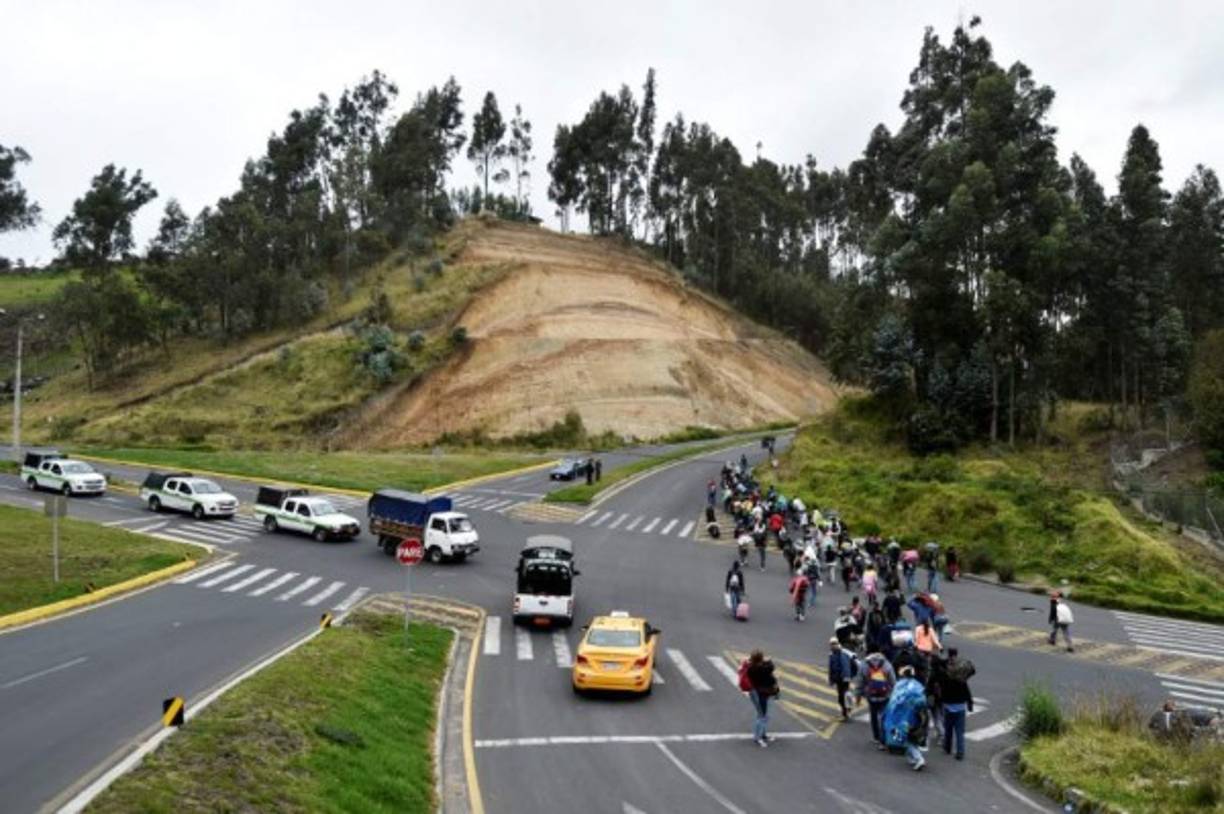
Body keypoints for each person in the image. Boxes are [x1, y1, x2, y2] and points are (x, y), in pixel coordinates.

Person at [884, 665, 929, 771]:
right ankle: (912, 758)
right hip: (917, 717)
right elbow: (923, 701)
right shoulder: (918, 685)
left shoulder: (900, 685)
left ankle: (919, 759)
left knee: (905, 739)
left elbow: (894, 702)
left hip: (903, 717)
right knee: (913, 737)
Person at [856, 650, 897, 748]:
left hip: (871, 696)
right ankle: (884, 740)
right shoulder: (887, 665)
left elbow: (860, 682)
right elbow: (893, 682)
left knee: (873, 716)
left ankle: (876, 737)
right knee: (883, 718)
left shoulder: (864, 665)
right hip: (885, 696)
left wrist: (858, 696)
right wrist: (893, 694)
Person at [939, 648, 975, 760]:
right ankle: (960, 752)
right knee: (960, 732)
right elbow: (967, 692)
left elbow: (942, 692)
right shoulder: (961, 678)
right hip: (960, 707)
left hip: (948, 706)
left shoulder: (946, 676)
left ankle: (947, 747)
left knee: (948, 729)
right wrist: (970, 704)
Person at [743, 650, 778, 746]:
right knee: (762, 716)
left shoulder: (752, 667)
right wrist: (769, 661)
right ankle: (757, 738)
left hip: (762, 693)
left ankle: (763, 735)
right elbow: (771, 667)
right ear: (760, 659)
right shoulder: (761, 669)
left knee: (764, 715)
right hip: (760, 694)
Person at [827, 639, 857, 719]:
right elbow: (831, 668)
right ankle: (847, 710)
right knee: (842, 696)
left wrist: (847, 677)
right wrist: (831, 679)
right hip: (838, 679)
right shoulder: (832, 655)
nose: (833, 646)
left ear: (837, 644)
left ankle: (846, 712)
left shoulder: (842, 654)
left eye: (834, 644)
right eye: (831, 644)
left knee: (843, 696)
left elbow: (845, 667)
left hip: (844, 679)